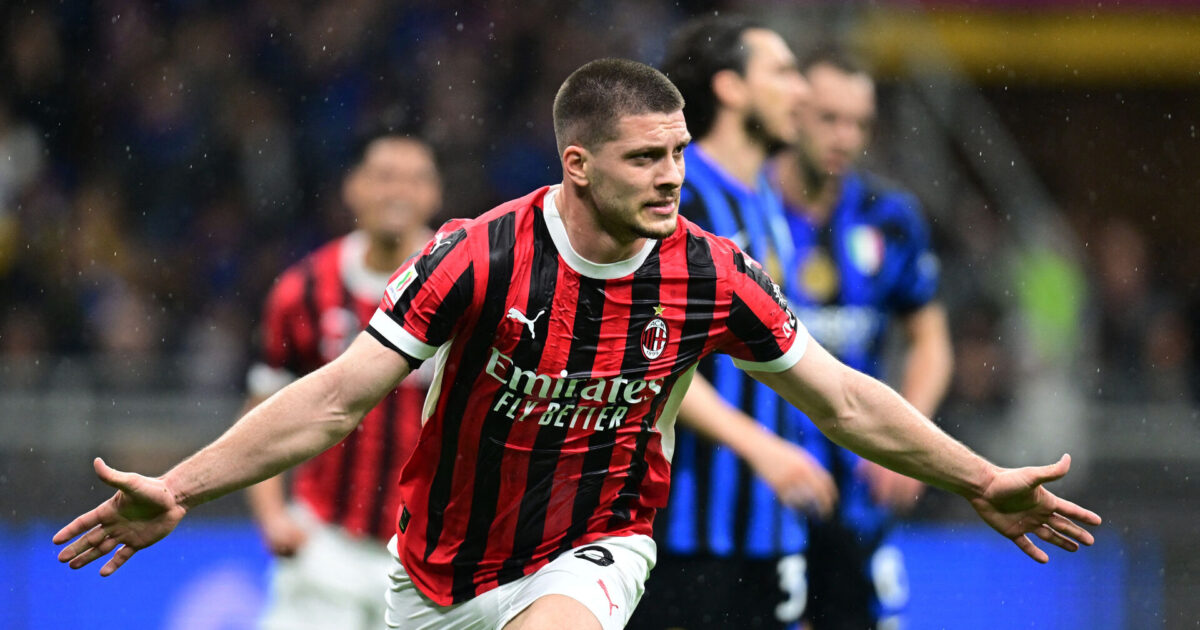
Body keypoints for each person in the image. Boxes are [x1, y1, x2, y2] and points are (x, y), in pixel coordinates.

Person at [54, 58, 1100, 630]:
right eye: (646, 158)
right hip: (438, 575)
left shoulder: (710, 270)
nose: (671, 178)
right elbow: (333, 399)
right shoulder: (478, 257)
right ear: (578, 164)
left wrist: (976, 477)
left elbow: (846, 400)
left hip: (599, 548)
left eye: (681, 155)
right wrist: (181, 488)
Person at [630, 16, 839, 630]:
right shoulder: (681, 201)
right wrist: (760, 447)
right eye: (782, 72)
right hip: (685, 534)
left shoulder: (767, 202)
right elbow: (651, 356)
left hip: (766, 532)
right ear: (730, 88)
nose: (801, 91)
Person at [770, 48, 955, 629]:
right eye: (829, 118)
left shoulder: (889, 217)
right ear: (794, 113)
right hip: (760, 489)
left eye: (858, 122)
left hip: (857, 497)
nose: (845, 137)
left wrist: (911, 446)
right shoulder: (743, 210)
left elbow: (931, 340)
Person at [243, 130, 441, 629]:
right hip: (327, 544)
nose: (399, 192)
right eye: (384, 177)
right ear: (352, 188)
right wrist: (271, 515)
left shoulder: (470, 285)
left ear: (434, 193)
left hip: (433, 552)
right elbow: (264, 409)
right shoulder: (304, 290)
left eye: (414, 179)